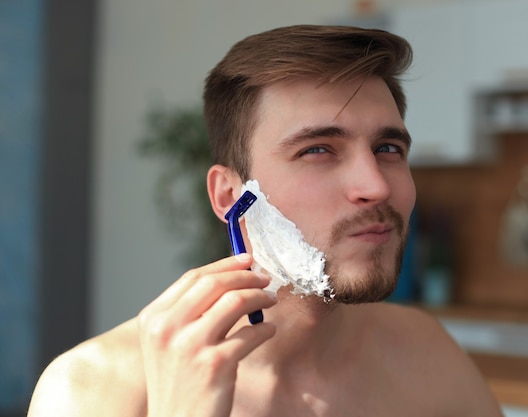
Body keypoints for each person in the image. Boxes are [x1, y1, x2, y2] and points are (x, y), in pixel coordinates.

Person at [28, 25, 503, 416]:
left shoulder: (426, 354)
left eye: (388, 149)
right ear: (230, 197)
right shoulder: (93, 390)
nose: (376, 185)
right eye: (317, 149)